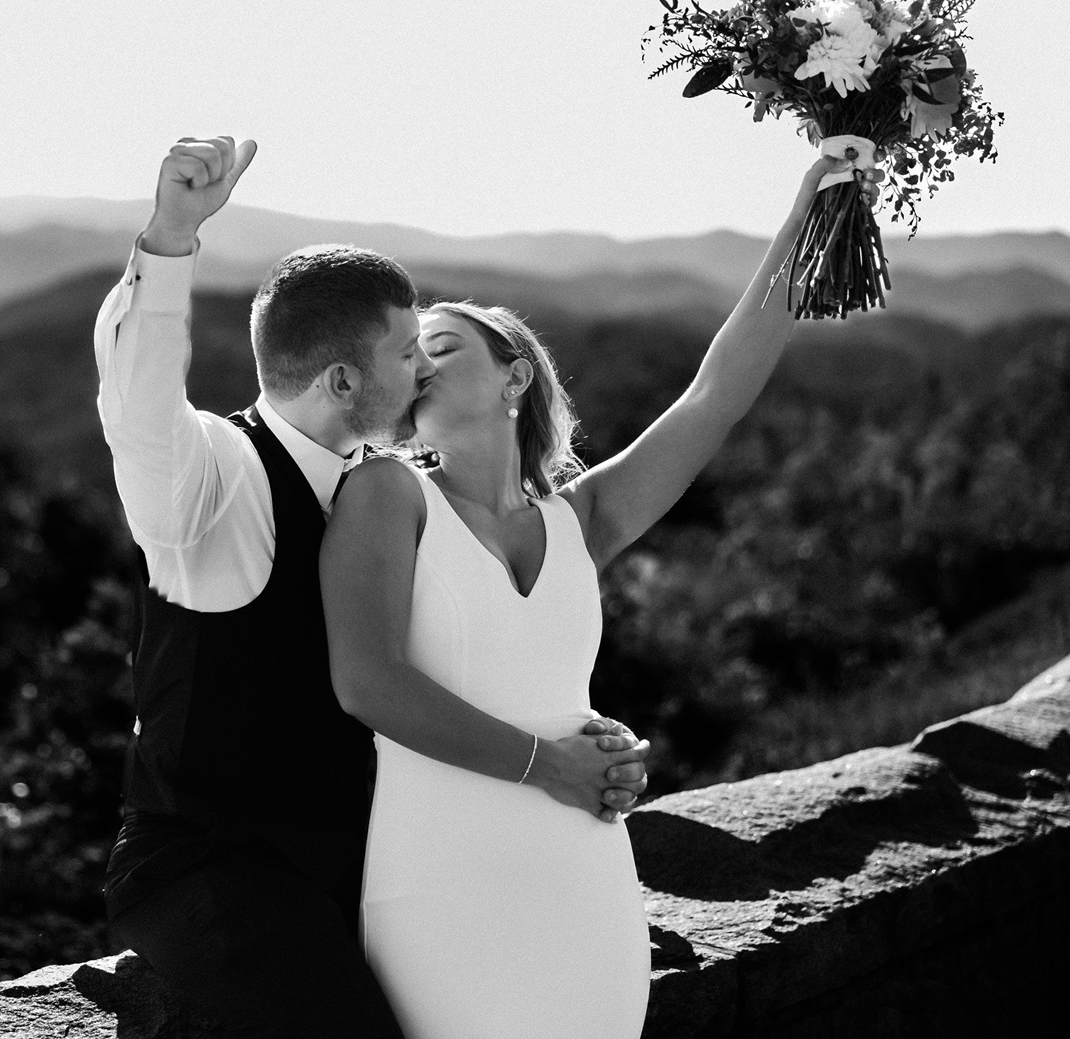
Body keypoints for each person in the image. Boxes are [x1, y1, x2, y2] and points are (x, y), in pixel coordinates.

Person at [93, 135, 652, 1038]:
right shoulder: (215, 483)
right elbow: (138, 409)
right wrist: (168, 241)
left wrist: (575, 730)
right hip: (210, 871)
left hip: (362, 859)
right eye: (406, 354)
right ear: (344, 378)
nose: (423, 369)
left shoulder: (393, 497)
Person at [320, 153, 866, 1037]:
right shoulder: (385, 492)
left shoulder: (585, 518)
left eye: (443, 346)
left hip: (584, 873)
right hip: (442, 876)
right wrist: (554, 764)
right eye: (407, 351)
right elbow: (368, 685)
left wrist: (815, 212)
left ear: (515, 378)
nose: (416, 362)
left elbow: (715, 395)